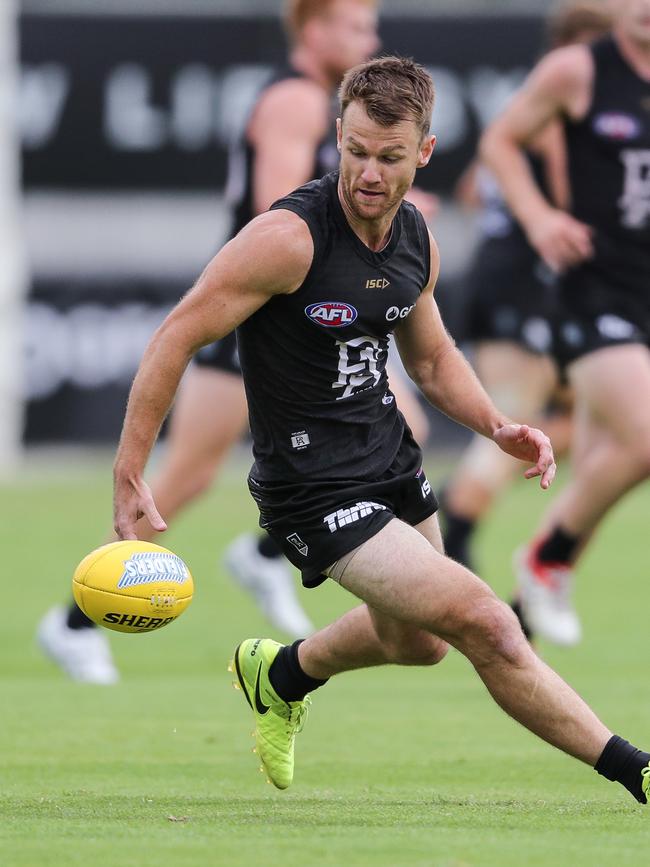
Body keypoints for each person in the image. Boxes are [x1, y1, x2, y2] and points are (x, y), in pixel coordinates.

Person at [112, 56, 650, 804]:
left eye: (389, 156)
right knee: (487, 622)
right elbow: (175, 334)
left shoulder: (414, 236)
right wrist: (130, 469)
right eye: (356, 150)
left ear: (422, 152)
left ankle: (283, 672)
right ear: (338, 134)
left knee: (420, 642)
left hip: (389, 458)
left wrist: (496, 424)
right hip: (311, 487)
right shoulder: (288, 238)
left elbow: (430, 356)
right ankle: (635, 767)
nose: (368, 171)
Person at [37, 0, 389, 683]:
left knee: (388, 441)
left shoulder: (318, 101)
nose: (370, 39)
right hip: (267, 319)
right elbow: (278, 204)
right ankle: (77, 619)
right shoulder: (295, 99)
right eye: (356, 27)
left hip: (298, 318)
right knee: (187, 475)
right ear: (313, 31)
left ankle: (264, 555)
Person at [480, 0, 650, 646]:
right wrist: (539, 217)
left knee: (608, 453)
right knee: (644, 438)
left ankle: (531, 596)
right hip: (592, 288)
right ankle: (545, 558)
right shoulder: (578, 70)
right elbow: (500, 140)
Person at [439, 0, 611, 636]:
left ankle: (516, 566)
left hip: (501, 274)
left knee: (575, 419)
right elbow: (578, 195)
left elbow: (470, 188)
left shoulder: (525, 101)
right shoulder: (568, 103)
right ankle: (450, 546)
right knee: (519, 418)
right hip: (527, 280)